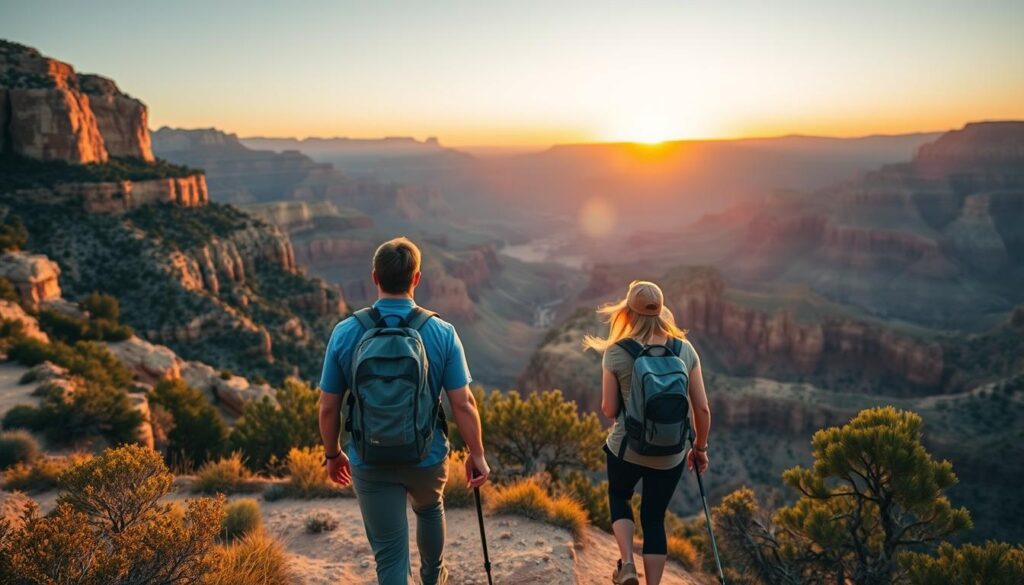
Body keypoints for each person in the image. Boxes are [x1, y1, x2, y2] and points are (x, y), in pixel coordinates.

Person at [318, 237, 490, 585]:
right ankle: (433, 575)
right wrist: (477, 454)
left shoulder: (346, 331)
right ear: (417, 279)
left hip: (369, 457)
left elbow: (328, 407)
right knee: (429, 509)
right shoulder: (441, 331)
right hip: (426, 455)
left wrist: (333, 454)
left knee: (391, 558)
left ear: (374, 278)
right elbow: (463, 403)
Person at [583, 280, 711, 585]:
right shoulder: (685, 349)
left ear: (628, 311)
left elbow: (609, 410)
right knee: (654, 519)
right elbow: (702, 410)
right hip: (670, 454)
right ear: (661, 312)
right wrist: (700, 449)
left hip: (627, 448)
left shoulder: (616, 352)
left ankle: (627, 564)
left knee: (619, 495)